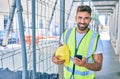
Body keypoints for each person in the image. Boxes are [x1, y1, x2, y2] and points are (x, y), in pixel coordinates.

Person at [52, 5, 103, 79]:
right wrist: (53, 58)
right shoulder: (67, 33)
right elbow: (59, 50)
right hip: (67, 77)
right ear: (76, 18)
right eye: (80, 17)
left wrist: (85, 64)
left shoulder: (95, 39)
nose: (82, 21)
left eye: (86, 18)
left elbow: (98, 66)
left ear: (90, 20)